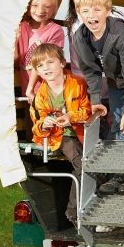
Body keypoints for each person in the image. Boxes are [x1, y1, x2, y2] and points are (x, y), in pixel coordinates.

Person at [71, 0, 124, 195]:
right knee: (117, 124)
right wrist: (95, 100)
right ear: (79, 12)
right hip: (115, 82)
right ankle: (120, 171)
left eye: (97, 9)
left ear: (108, 10)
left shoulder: (119, 33)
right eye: (85, 11)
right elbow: (91, 71)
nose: (91, 15)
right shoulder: (80, 38)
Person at [29, 43, 91, 229]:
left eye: (50, 62)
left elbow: (87, 111)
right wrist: (45, 124)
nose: (46, 68)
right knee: (82, 164)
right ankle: (73, 212)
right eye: (40, 66)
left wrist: (70, 117)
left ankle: (94, 208)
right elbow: (37, 126)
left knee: (96, 166)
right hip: (59, 137)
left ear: (62, 62)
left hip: (81, 132)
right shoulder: (40, 95)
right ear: (37, 71)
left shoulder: (78, 84)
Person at [16, 0, 64, 102]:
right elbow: (16, 57)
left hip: (49, 89)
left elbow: (45, 61)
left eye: (46, 7)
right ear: (28, 7)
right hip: (27, 88)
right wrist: (16, 38)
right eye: (35, 5)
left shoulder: (55, 31)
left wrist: (30, 88)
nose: (40, 10)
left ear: (54, 10)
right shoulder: (21, 27)